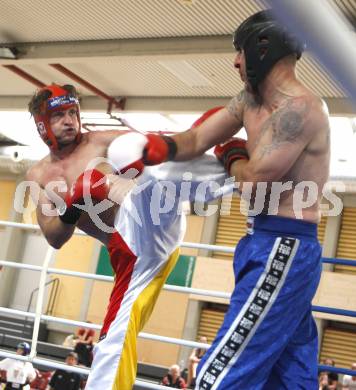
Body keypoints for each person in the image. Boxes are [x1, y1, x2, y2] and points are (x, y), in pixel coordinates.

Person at [121, 9, 331, 389]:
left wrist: (233, 155)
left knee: (218, 374)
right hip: (263, 242)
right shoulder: (248, 100)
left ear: (262, 47)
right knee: (289, 374)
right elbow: (197, 139)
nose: (235, 61)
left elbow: (252, 184)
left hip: (284, 248)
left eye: (240, 51)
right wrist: (159, 146)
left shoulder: (300, 111)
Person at [26, 84, 231, 389]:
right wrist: (73, 205)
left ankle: (229, 159)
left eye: (73, 112)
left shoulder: (101, 142)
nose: (70, 121)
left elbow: (151, 152)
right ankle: (230, 165)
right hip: (130, 250)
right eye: (59, 116)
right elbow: (55, 236)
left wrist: (114, 180)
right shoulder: (38, 176)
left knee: (140, 153)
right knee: (115, 336)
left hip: (148, 219)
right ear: (42, 125)